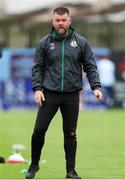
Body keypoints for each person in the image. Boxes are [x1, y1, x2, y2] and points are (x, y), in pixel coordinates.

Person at [25, 7, 103, 179]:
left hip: (71, 95)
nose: (60, 23)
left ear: (70, 20)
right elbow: (37, 68)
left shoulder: (81, 42)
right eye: (57, 20)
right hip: (49, 94)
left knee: (70, 134)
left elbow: (90, 66)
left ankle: (70, 171)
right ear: (52, 21)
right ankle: (33, 166)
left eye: (63, 20)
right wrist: (37, 89)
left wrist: (96, 87)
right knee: (39, 130)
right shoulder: (44, 43)